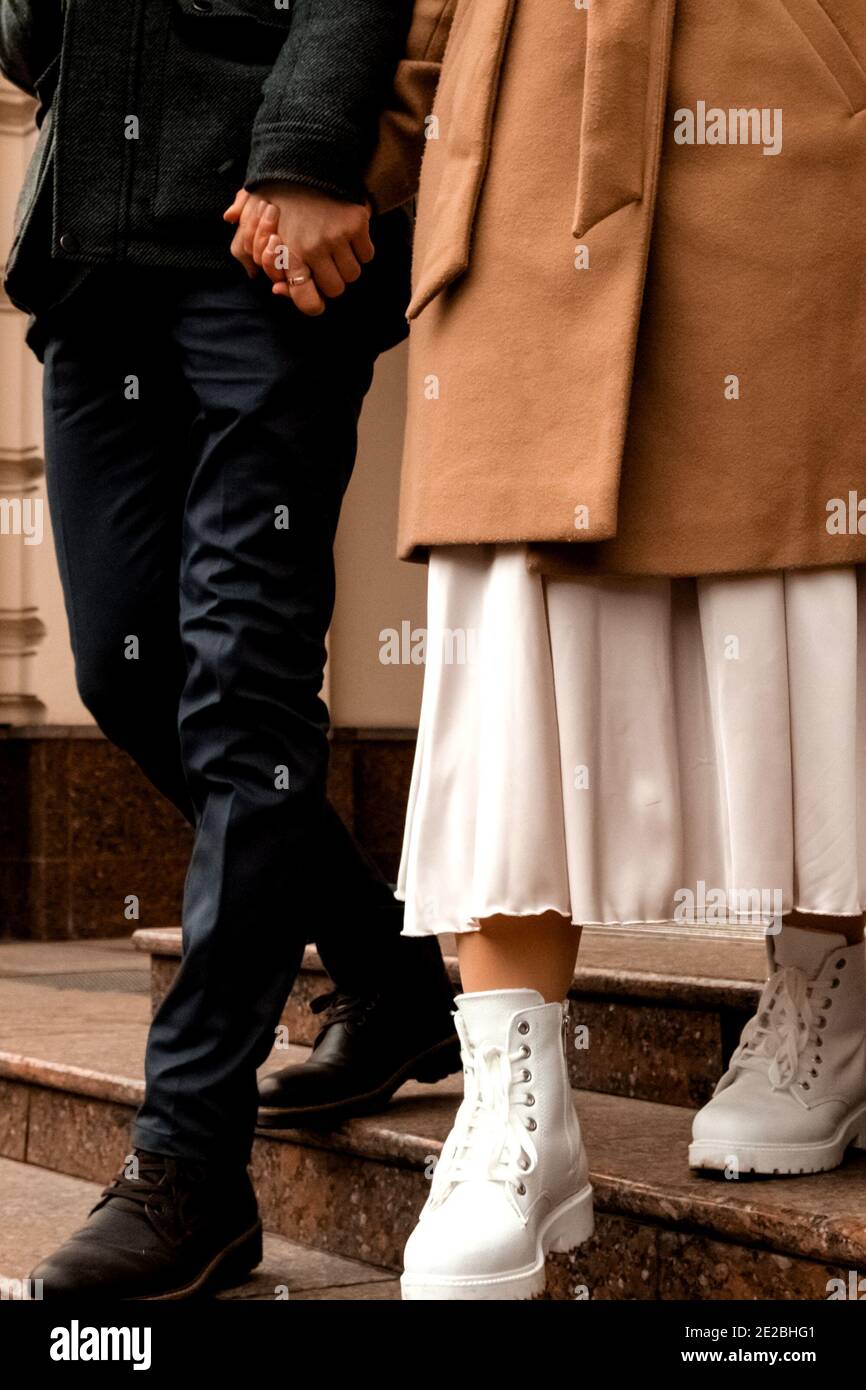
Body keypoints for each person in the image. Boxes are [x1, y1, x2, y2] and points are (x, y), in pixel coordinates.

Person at [391, 0, 866, 1299]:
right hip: (524, 125)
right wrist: (333, 145)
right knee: (510, 592)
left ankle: (829, 995)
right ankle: (514, 1105)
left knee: (801, 551)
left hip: (779, 98)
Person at [1, 0, 459, 1299]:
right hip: (95, 254)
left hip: (262, 239)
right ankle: (387, 973)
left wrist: (308, 150)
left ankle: (190, 1163)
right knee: (127, 673)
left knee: (240, 687)